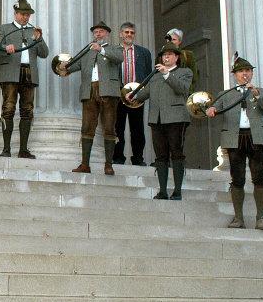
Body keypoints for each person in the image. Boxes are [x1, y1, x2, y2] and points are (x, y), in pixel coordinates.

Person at [206, 55, 263, 230]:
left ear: (251, 74)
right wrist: (211, 109)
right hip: (234, 138)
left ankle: (261, 217)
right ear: (235, 75)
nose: (244, 74)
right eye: (240, 71)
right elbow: (213, 108)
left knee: (259, 176)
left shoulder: (261, 91)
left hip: (256, 137)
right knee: (237, 178)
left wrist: (257, 94)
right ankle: (238, 217)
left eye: (247, 71)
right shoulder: (226, 94)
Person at [126, 40, 192, 200]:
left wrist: (167, 74)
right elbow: (145, 93)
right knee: (160, 156)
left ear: (176, 57)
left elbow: (181, 88)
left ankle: (177, 190)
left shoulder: (184, 72)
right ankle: (162, 190)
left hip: (176, 118)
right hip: (157, 119)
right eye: (164, 55)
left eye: (169, 54)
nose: (166, 57)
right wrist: (132, 95)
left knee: (176, 153)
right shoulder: (155, 76)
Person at [60, 21, 123, 174]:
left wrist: (101, 50)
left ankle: (108, 164)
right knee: (87, 127)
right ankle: (85, 164)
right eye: (96, 32)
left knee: (109, 128)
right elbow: (75, 65)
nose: (98, 34)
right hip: (89, 92)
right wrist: (65, 66)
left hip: (108, 93)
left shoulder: (114, 48)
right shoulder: (87, 51)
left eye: (101, 31)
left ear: (107, 34)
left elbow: (119, 58)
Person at [0, 0, 48, 158]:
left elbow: (44, 53)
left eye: (28, 15)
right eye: (23, 14)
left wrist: (39, 39)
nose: (25, 17)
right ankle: (6, 148)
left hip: (28, 73)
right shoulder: (4, 28)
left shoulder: (33, 31)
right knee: (8, 109)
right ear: (15, 13)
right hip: (10, 73)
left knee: (27, 110)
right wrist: (5, 48)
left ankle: (23, 149)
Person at [114, 21, 152, 166]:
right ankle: (118, 157)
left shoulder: (144, 53)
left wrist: (143, 92)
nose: (129, 35)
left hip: (137, 96)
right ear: (121, 34)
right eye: (126, 32)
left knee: (137, 129)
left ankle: (138, 157)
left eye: (132, 32)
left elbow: (148, 74)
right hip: (119, 95)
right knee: (118, 127)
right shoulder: (114, 51)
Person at [163, 28, 197, 94]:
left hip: (184, 91)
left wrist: (187, 90)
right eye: (169, 39)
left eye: (174, 39)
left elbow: (194, 76)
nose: (171, 41)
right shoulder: (161, 57)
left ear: (179, 41)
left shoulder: (188, 54)